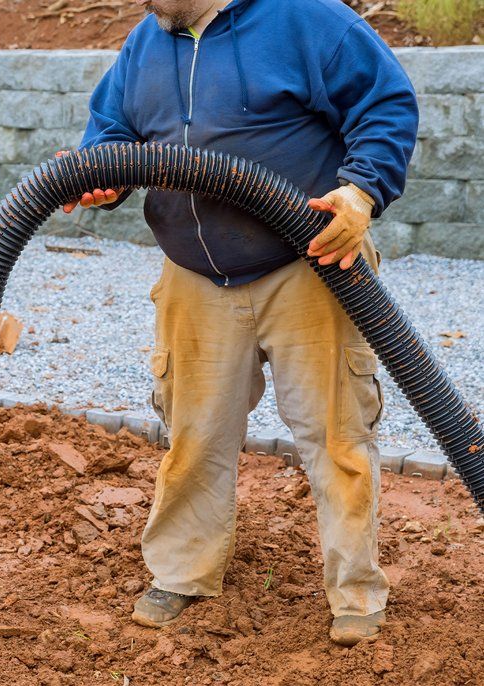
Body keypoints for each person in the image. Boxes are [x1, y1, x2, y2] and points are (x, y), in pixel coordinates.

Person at [63, 0, 419, 646]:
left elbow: (386, 102)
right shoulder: (148, 43)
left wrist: (361, 190)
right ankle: (182, 571)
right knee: (194, 432)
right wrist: (100, 176)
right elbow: (112, 131)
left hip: (310, 262)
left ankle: (355, 591)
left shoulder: (307, 19)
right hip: (194, 273)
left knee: (336, 435)